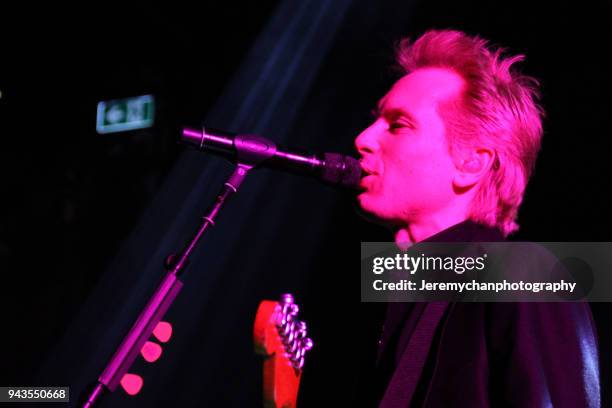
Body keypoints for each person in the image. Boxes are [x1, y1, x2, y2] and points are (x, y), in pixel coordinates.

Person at [355, 29, 600, 407]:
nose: (363, 138)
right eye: (375, 120)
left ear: (471, 163)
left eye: (398, 124)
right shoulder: (392, 290)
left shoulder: (527, 275)